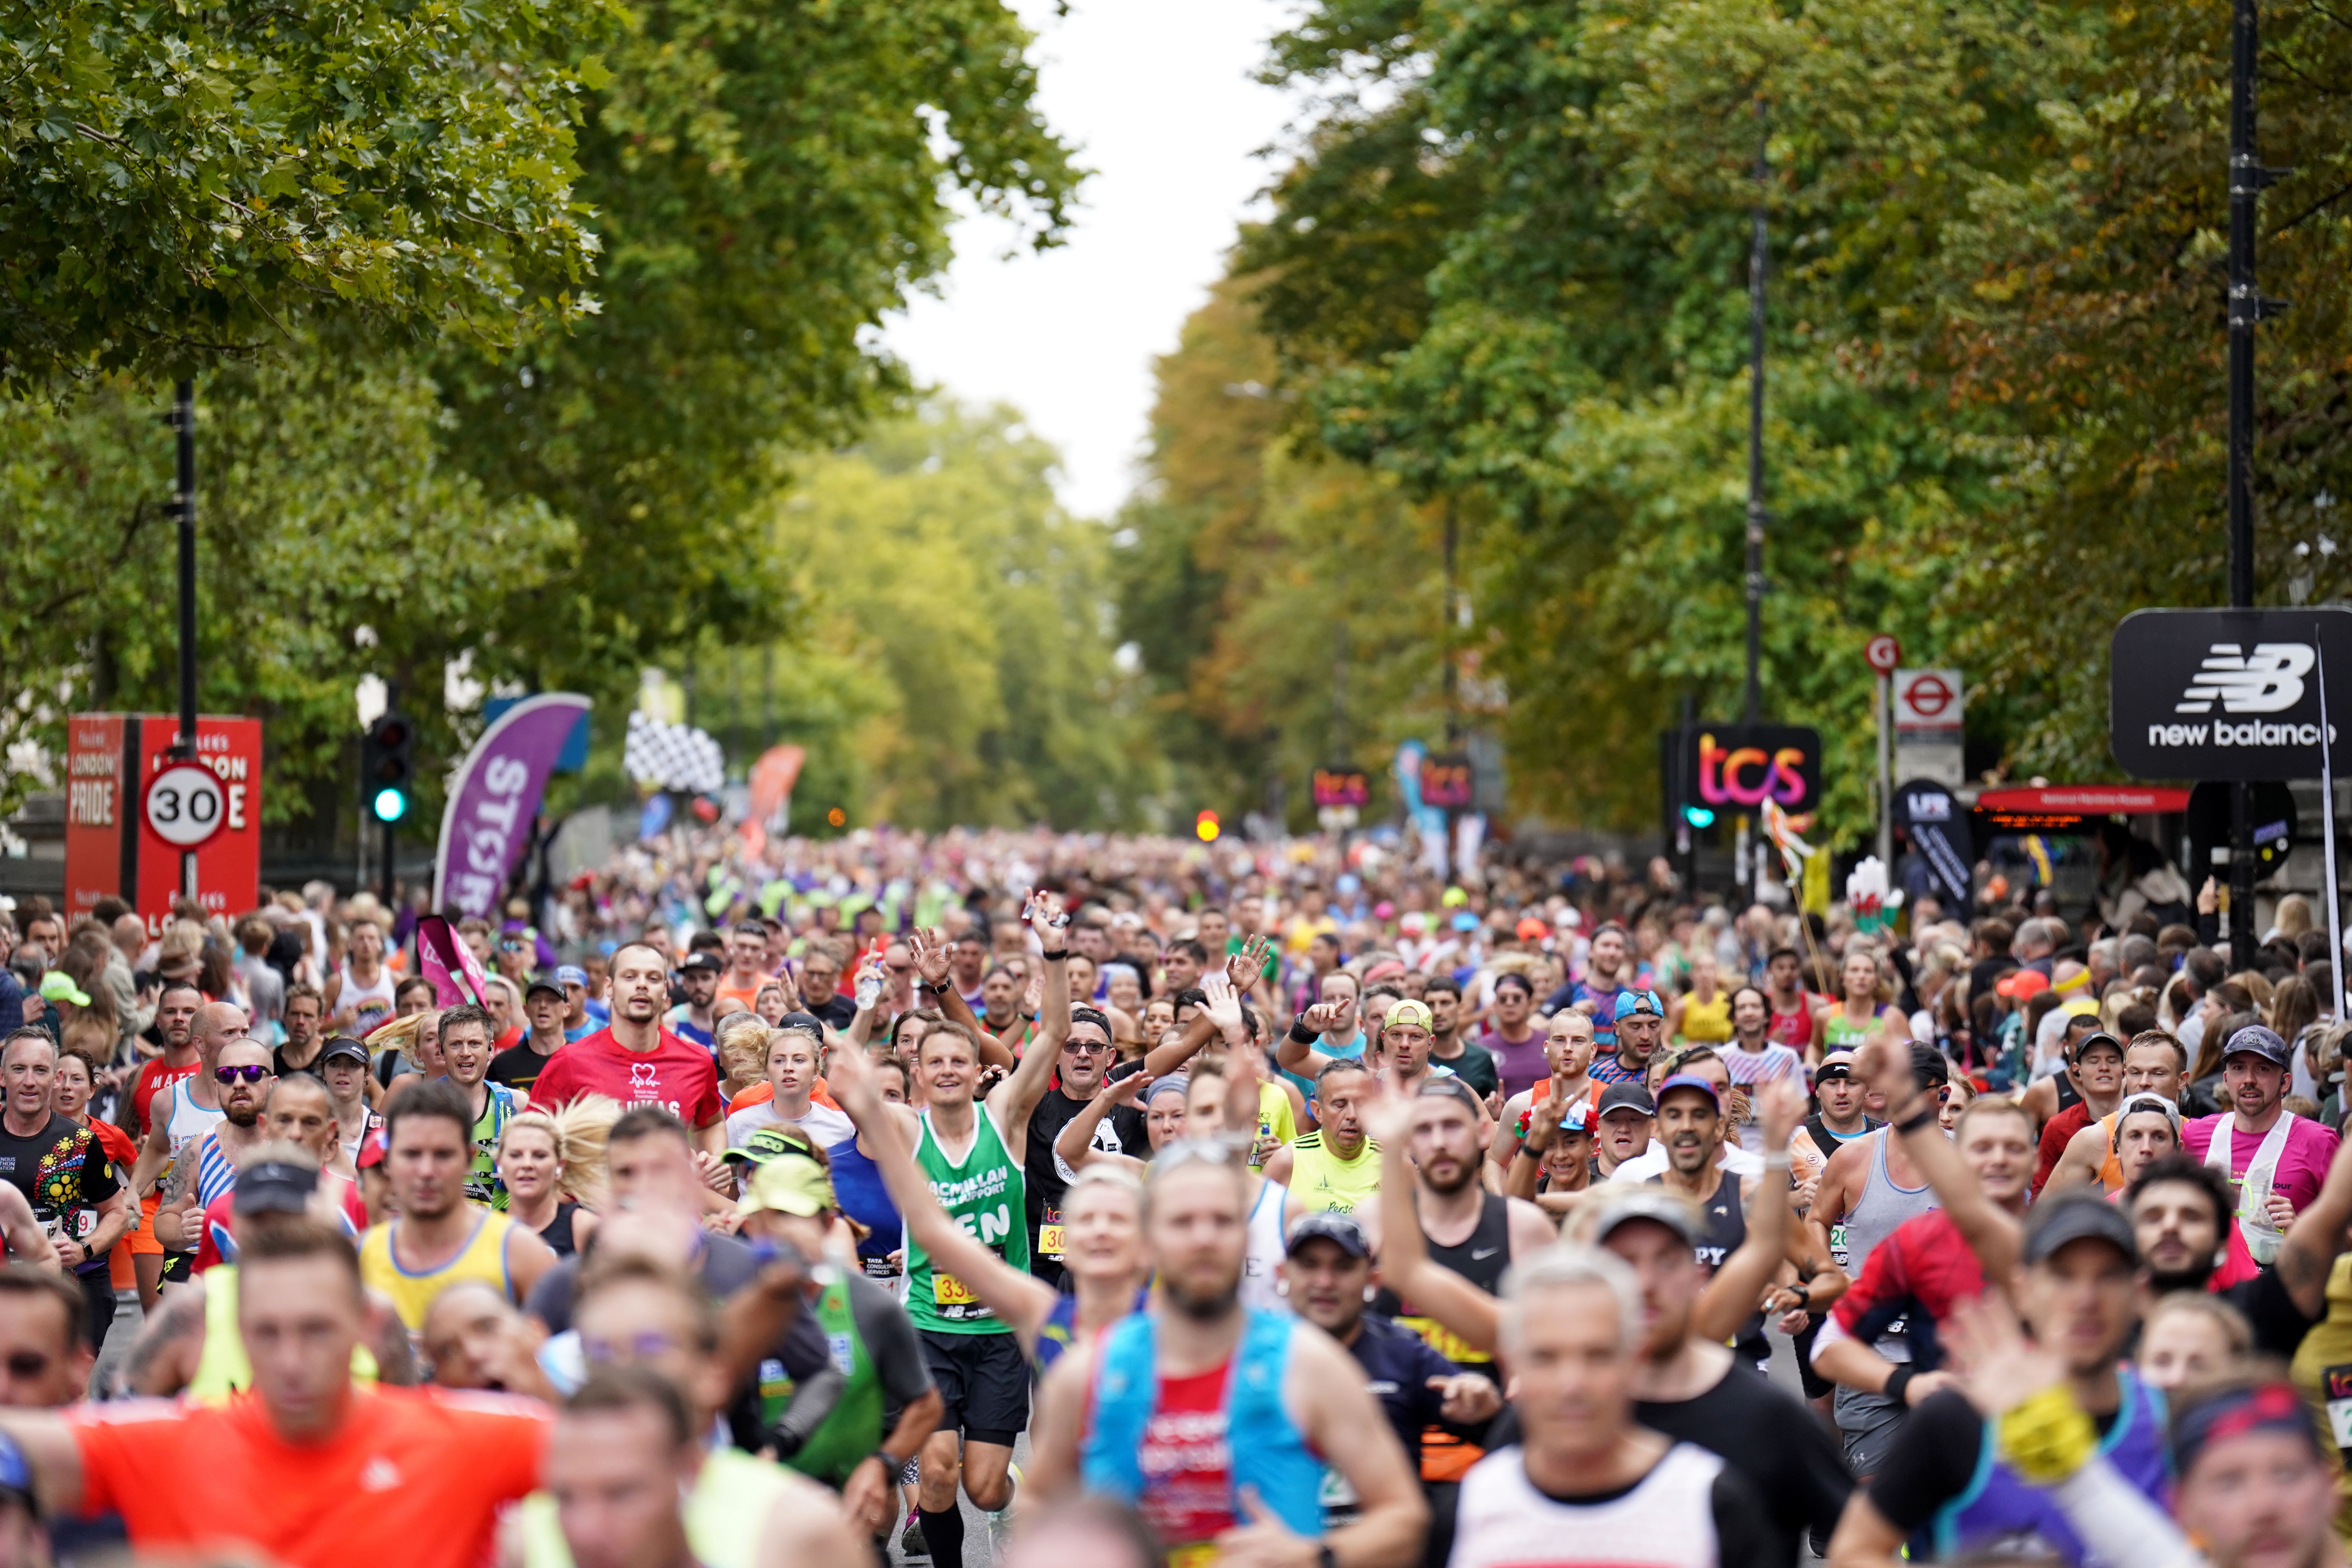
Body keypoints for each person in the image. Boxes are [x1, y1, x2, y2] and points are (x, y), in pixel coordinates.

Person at [0, 1217, 550, 1568]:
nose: (290, 1361)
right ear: (238, 1329)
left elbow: (624, 1443)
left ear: (364, 1325)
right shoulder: (165, 1444)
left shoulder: (463, 1437)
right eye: (268, 1331)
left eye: (316, 1330)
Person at [1027, 1140, 1429, 1568]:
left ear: (1247, 1236)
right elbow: (1036, 1499)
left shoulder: (1309, 1364)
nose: (1204, 1238)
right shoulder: (1089, 1370)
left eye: (1222, 1221)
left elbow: (1404, 1515)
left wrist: (1312, 1555)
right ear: (1147, 1243)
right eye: (1182, 1222)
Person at [858, 893, 1072, 1568]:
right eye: (934, 1062)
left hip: (998, 1333)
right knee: (941, 1471)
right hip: (929, 1326)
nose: (948, 1069)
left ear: (975, 1070)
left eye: (959, 1060)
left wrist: (1055, 955)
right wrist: (872, 1007)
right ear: (917, 1073)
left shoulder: (1004, 1116)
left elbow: (1054, 1038)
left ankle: (1012, 1510)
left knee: (983, 1486)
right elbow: (846, 1083)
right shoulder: (903, 1127)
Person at [1824, 1194, 2165, 1568]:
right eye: (2062, 1275)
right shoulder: (1959, 1421)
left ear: (2139, 1291)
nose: (2086, 1298)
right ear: (2022, 1292)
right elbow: (1854, 1551)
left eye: (2109, 1275)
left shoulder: (2174, 1415)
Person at [1447, 1243, 1772, 1568]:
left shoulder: (1712, 1504)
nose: (1572, 1384)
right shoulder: (1469, 1510)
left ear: (1636, 1360)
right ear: (1510, 1364)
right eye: (1545, 1357)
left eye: (1598, 1356)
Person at [1584, 1189, 1855, 1568]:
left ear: (1698, 1276)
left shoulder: (1767, 1416)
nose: (1644, 1283)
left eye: (1665, 1262)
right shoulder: (1561, 1414)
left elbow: (1861, 1541)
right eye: (1625, 1262)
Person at [710, 1136, 941, 1528]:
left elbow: (926, 1405)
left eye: (789, 1216)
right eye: (763, 1219)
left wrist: (881, 1464)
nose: (776, 1231)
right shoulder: (725, 1304)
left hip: (844, 1507)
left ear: (827, 1222)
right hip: (758, 1512)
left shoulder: (870, 1306)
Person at [1280, 1210, 1501, 1536]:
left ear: (1374, 1281)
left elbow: (1499, 1434)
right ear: (1281, 1274)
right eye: (1310, 1265)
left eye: (1343, 1267)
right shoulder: (1250, 1355)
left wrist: (1487, 1409)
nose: (1325, 1282)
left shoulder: (1404, 1353)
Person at [528, 1363, 861, 1568]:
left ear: (690, 1471)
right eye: (564, 1497)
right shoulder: (523, 1545)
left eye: (621, 1494)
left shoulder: (803, 1535)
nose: (586, 1531)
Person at [526, 1105, 763, 1333]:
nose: (643, 1186)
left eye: (660, 1170)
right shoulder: (566, 1283)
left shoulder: (748, 1271)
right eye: (626, 1173)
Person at [360, 1080, 556, 1335]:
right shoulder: (360, 1259)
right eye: (411, 1154)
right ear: (387, 1163)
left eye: (443, 1155)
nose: (426, 1171)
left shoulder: (520, 1254)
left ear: (469, 1159)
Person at [528, 942, 726, 1163]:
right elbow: (531, 1137)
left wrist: (713, 1162)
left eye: (653, 978)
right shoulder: (571, 1061)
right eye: (630, 977)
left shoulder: (697, 1061)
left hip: (669, 1197)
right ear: (609, 987)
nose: (642, 985)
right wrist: (563, 1188)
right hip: (593, 1199)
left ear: (665, 990)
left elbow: (711, 1123)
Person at [0, 1031, 123, 1348]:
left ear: (55, 1079)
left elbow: (117, 1213)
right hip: (7, 1289)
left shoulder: (79, 1142)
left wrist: (85, 1249)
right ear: (2, 1076)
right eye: (19, 1069)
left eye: (40, 1071)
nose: (29, 1081)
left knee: (67, 1392)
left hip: (72, 1287)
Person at [2181, 1023, 2340, 1266]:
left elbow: (2346, 1236)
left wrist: (2300, 1229)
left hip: (2283, 1290)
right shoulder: (2194, 1134)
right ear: (2226, 1080)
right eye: (2238, 1069)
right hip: (2210, 1289)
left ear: (2285, 1083)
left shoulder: (2319, 1142)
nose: (2249, 1080)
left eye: (2263, 1069)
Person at [124, 998, 245, 1286]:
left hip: (247, 1250)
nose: (241, 1040)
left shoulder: (259, 1103)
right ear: (200, 1044)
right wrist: (133, 1190)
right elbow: (157, 1149)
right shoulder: (169, 1101)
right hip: (188, 1245)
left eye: (245, 1031)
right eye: (230, 1033)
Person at [115, 978, 202, 1308]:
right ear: (158, 1019)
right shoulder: (141, 1076)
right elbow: (118, 1138)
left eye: (188, 1011)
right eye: (171, 1011)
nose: (179, 1017)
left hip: (203, 1199)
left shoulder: (218, 1075)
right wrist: (137, 1156)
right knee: (160, 1315)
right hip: (154, 1203)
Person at [50, 1044, 134, 1352]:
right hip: (35, 1266)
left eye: (76, 1079)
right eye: (59, 1078)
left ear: (93, 1089)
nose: (66, 1087)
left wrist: (126, 1196)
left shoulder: (110, 1136)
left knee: (82, 1359)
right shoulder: (26, 1133)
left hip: (90, 1262)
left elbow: (142, 1181)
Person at [2043, 1031, 2187, 1194]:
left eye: (2158, 1073)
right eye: (2136, 1073)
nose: (2144, 1082)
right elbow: (2046, 1213)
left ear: (2182, 1080)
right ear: (2125, 1075)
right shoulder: (2095, 1138)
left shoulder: (2200, 1135)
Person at [1486, 1010, 1598, 1185]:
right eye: (1560, 1040)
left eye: (1578, 1041)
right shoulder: (1521, 1105)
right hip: (1538, 1209)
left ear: (1592, 1050)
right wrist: (1506, 1208)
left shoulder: (1610, 1103)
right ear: (1547, 1047)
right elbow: (1495, 1162)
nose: (1568, 1048)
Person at [1261, 1059, 1381, 1217]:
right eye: (1340, 1104)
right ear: (1318, 1111)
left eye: (1361, 1104)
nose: (1352, 1115)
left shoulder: (1396, 1164)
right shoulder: (1288, 1161)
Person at [720, 1018, 854, 1158]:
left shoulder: (841, 1126)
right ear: (767, 1070)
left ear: (816, 1070)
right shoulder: (738, 1124)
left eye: (799, 1060)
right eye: (779, 1061)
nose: (788, 1068)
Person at [437, 1003, 521, 1209]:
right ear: (441, 1050)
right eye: (456, 1044)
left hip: (500, 1229)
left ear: (491, 1049)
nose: (466, 1052)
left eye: (474, 1044)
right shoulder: (419, 1108)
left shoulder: (516, 1104)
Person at [2031, 1030, 2128, 1195]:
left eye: (2112, 1061)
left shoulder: (2141, 1122)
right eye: (2093, 1061)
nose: (2104, 1068)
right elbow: (2040, 1197)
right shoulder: (2058, 1127)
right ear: (2077, 1071)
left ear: (2124, 1069)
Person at [497, 1109, 603, 1260]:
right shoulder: (482, 1230)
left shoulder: (583, 1227)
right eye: (515, 1155)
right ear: (499, 1165)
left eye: (540, 1156)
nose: (527, 1164)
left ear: (559, 1166)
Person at [1816, 949, 1909, 1053]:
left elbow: (1915, 1056)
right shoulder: (1825, 1016)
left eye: (1868, 971)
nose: (1861, 976)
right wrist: (1811, 1062)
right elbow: (1816, 1049)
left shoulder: (1893, 1017)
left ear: (1877, 980)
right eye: (1854, 970)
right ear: (1842, 978)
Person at [492, 977, 572, 1094]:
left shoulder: (579, 1060)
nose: (543, 1005)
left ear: (566, 1009)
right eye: (536, 1000)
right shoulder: (502, 1064)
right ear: (526, 1010)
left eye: (552, 1000)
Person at [326, 917, 398, 1038]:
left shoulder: (395, 980)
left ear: (380, 943)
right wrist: (338, 1023)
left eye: (371, 938)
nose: (366, 943)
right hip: (351, 1055)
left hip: (386, 1055)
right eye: (360, 938)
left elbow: (412, 1021)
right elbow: (314, 1025)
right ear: (350, 944)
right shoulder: (337, 983)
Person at [1589, 989, 1667, 1086]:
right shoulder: (1596, 1076)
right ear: (1617, 1028)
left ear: (1662, 1026)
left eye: (1653, 1026)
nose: (1646, 1036)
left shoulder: (1677, 1071)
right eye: (1635, 1027)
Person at [321, 1036, 374, 1166]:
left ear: (368, 1073)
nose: (342, 1072)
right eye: (334, 1064)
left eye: (353, 1064)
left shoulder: (382, 1131)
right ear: (323, 1072)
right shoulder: (307, 1126)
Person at [668, 952, 723, 1050]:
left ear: (719, 980)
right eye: (692, 979)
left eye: (705, 978)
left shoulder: (729, 1018)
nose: (699, 986)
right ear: (684, 983)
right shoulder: (671, 1022)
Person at [274, 985, 327, 1079]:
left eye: (308, 1016)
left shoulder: (333, 1055)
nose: (300, 1022)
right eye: (294, 1014)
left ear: (320, 1021)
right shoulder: (272, 1059)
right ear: (285, 1018)